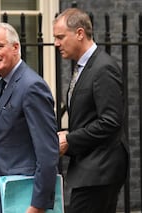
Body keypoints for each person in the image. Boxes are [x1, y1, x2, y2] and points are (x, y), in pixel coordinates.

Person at [53, 8, 129, 213]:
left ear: (79, 33)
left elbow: (111, 121)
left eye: (60, 37)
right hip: (92, 168)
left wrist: (70, 140)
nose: (56, 43)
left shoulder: (103, 67)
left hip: (100, 170)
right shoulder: (85, 67)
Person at [0, 22, 59, 213]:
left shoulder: (31, 86)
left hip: (25, 199)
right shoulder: (2, 85)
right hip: (3, 194)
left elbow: (47, 152)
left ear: (16, 47)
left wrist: (37, 205)